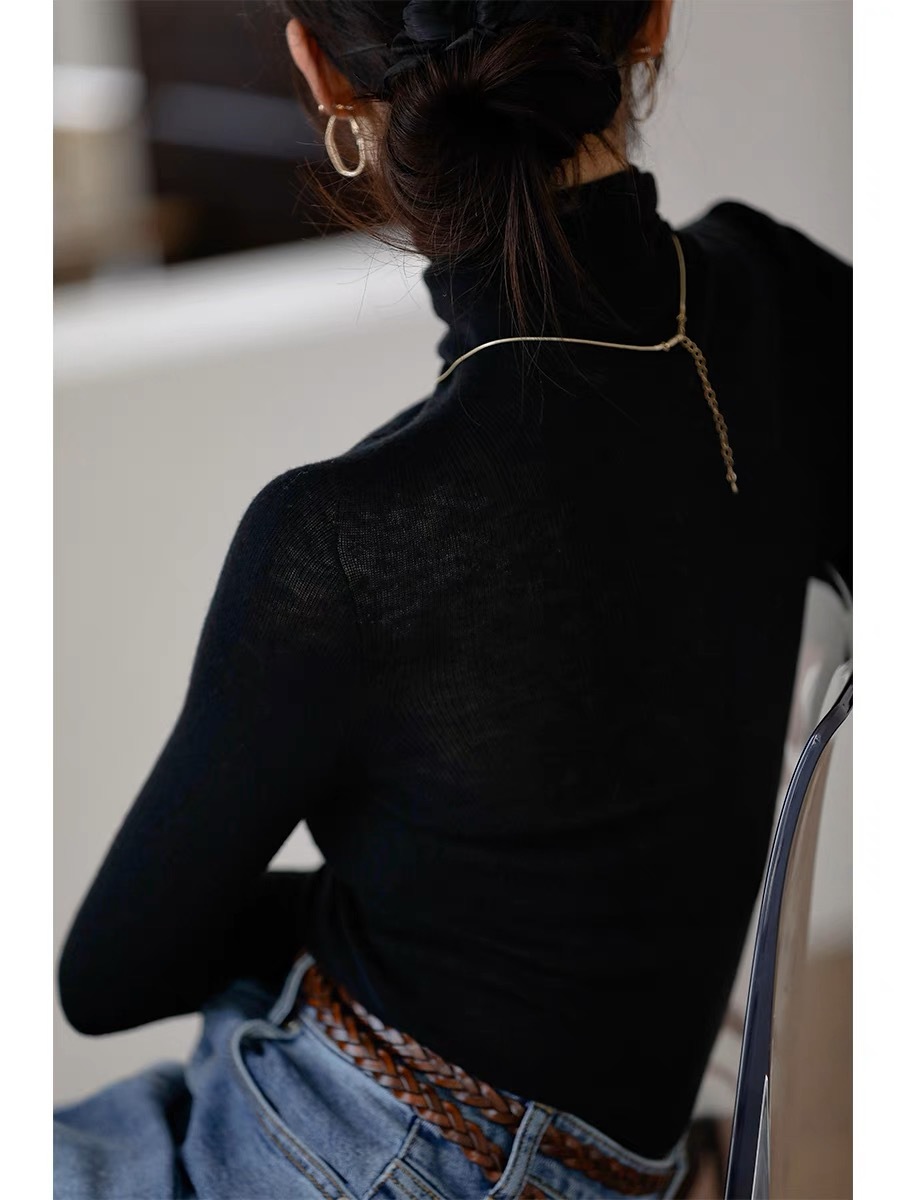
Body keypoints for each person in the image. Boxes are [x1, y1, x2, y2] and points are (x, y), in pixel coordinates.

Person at [54, 2, 851, 1198]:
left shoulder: (344, 542)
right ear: (651, 18)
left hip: (375, 1151)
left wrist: (385, 903)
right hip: (585, 1150)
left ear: (321, 74)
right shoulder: (788, 301)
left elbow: (110, 974)